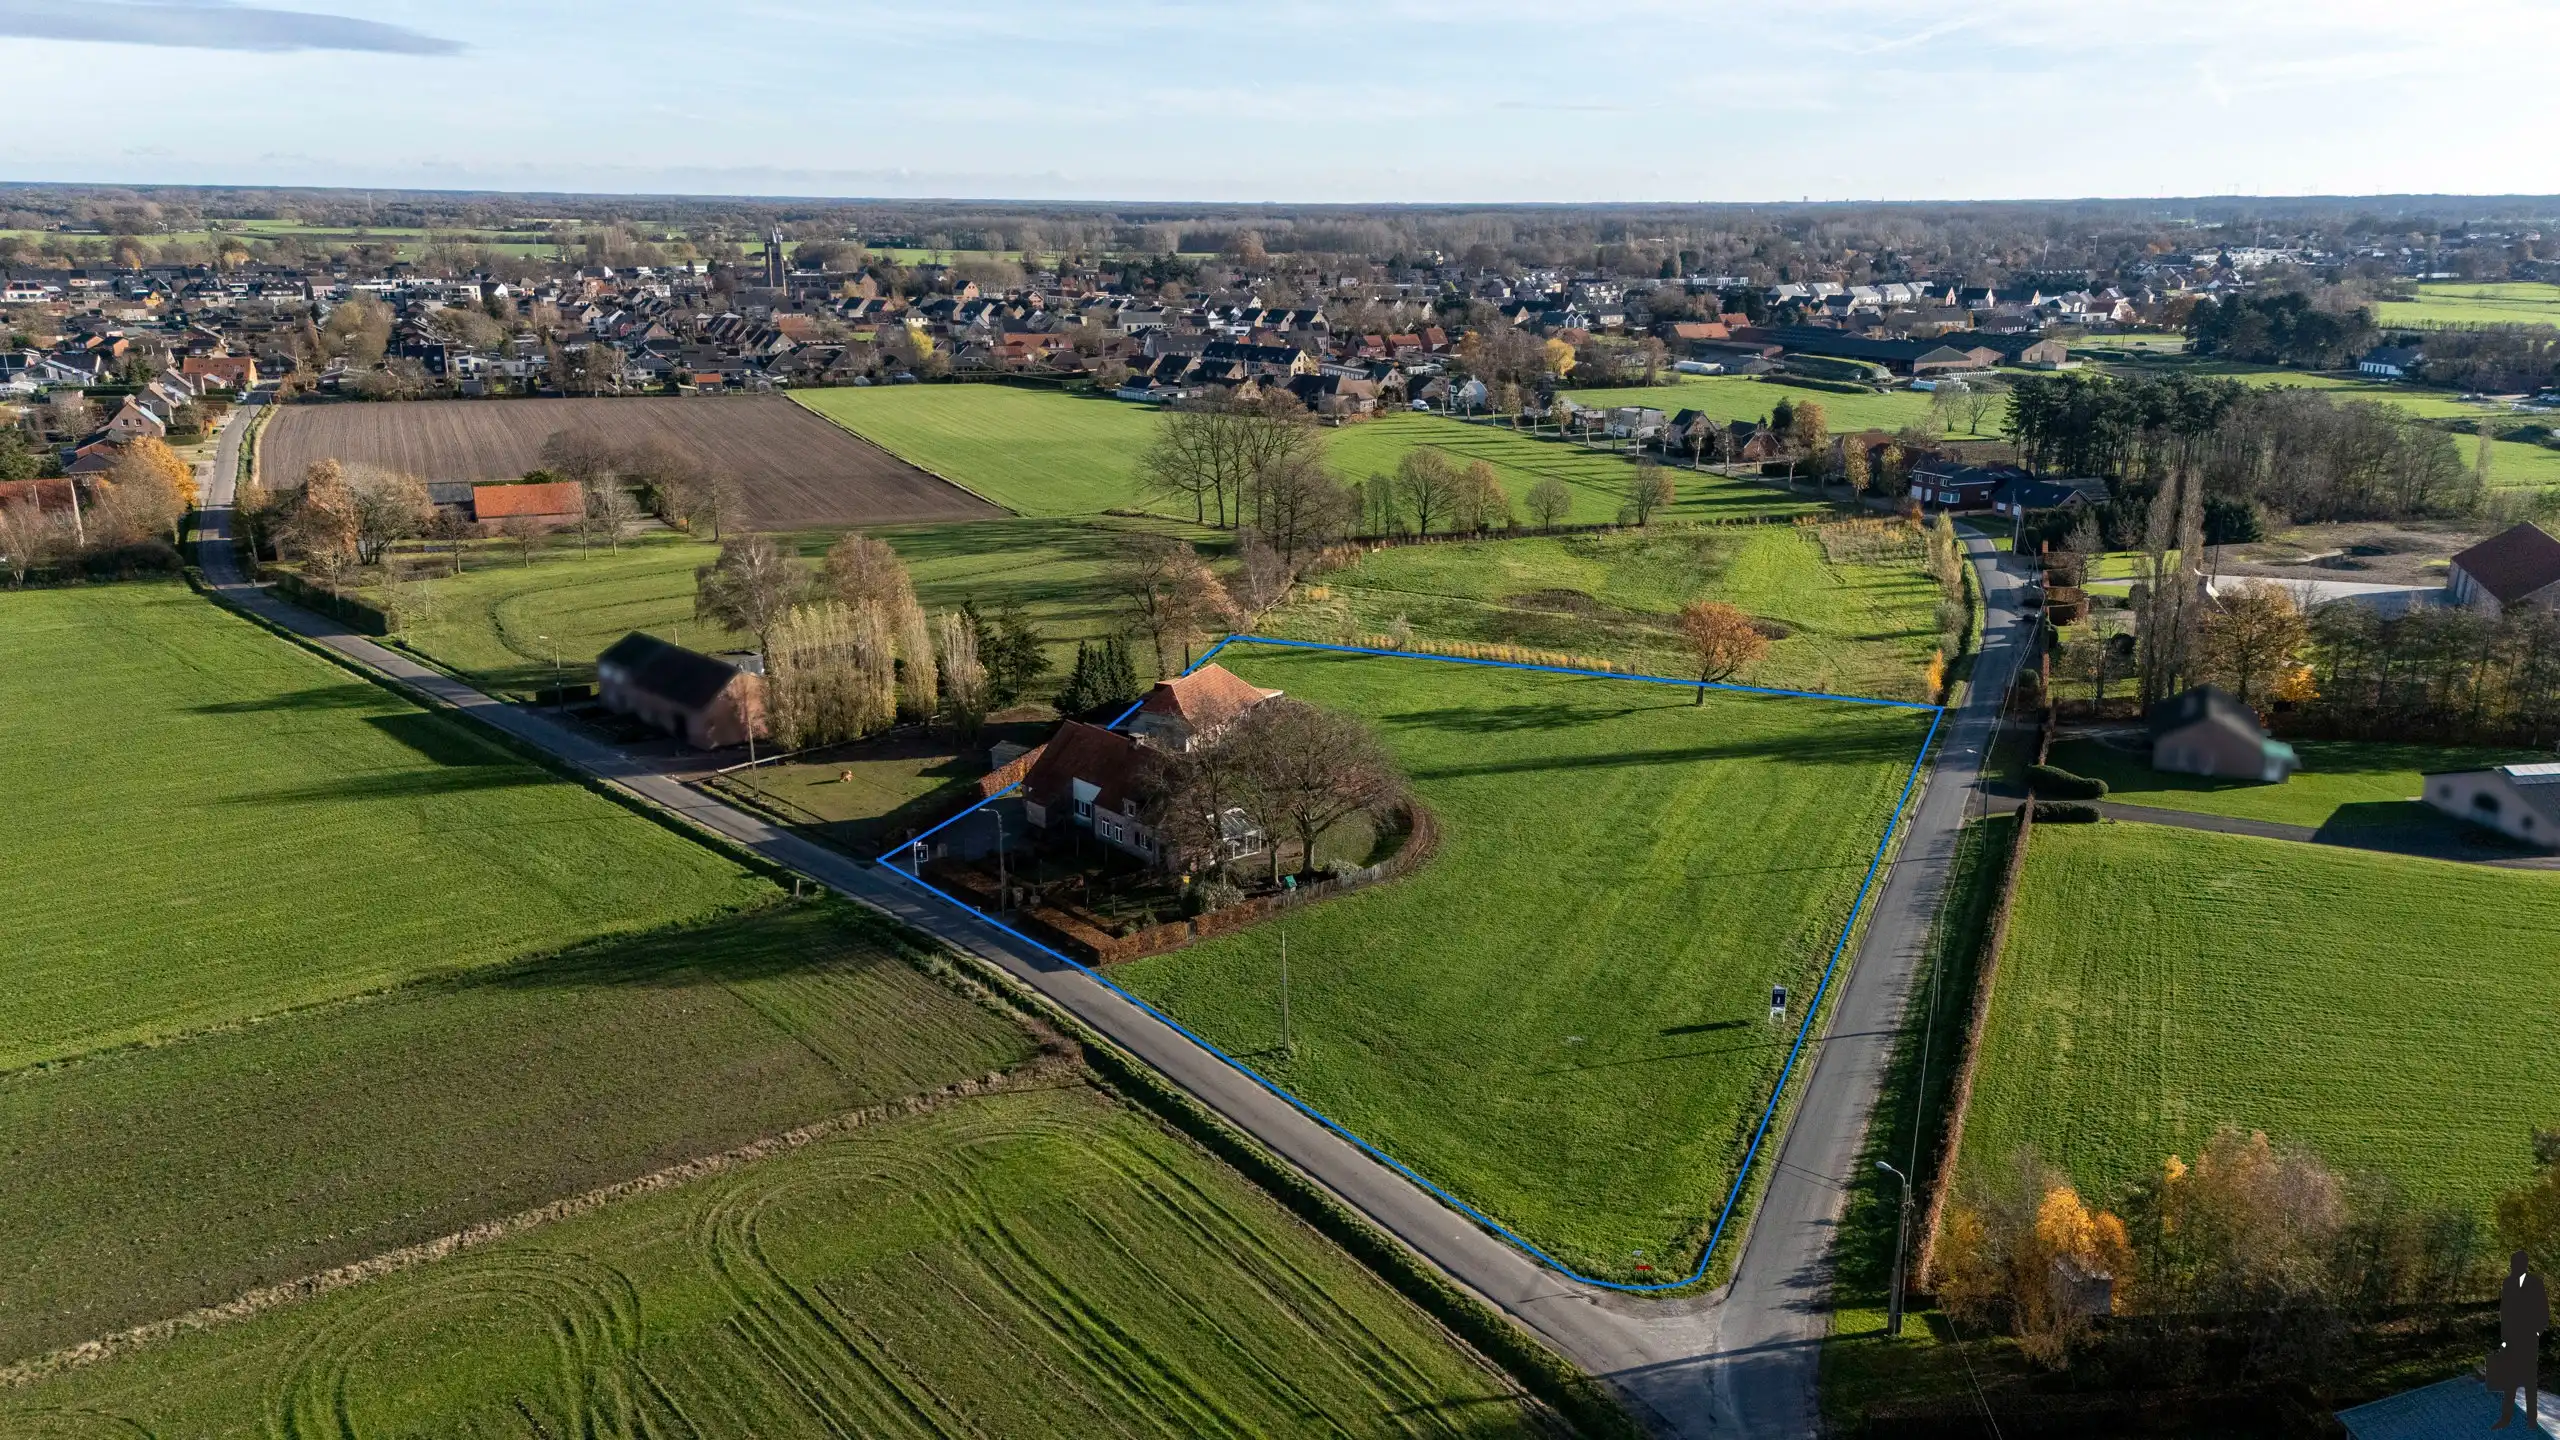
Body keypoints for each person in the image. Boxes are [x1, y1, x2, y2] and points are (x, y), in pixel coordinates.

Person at [2490, 1250, 2549, 1430]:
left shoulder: (2536, 1283)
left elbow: (2544, 1310)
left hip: (2529, 1340)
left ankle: (2532, 1420)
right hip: (2512, 1340)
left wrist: (2537, 1332)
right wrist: (2504, 1339)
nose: (2513, 1266)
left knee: (2530, 1382)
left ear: (2524, 1264)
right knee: (2510, 1381)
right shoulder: (2507, 1283)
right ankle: (2505, 1418)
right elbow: (2504, 1312)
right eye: (2512, 1263)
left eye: (2515, 1263)